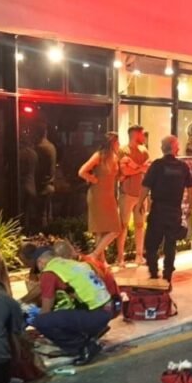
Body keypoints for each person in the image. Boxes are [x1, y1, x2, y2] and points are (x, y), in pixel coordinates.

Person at [31, 251, 115, 365]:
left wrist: (35, 329)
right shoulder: (72, 264)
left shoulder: (49, 272)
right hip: (109, 308)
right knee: (62, 313)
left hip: (96, 314)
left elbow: (46, 309)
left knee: (41, 321)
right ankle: (90, 333)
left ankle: (82, 347)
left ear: (40, 262)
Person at [142, 135, 192, 282]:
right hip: (174, 211)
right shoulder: (182, 167)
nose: (179, 147)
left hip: (158, 210)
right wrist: (190, 208)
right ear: (173, 147)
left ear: (164, 148)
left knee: (151, 244)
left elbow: (145, 187)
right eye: (177, 145)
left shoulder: (157, 165)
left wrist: (141, 203)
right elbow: (191, 190)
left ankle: (153, 273)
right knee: (170, 244)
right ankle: (167, 275)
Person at [78, 132, 123, 263]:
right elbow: (82, 171)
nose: (119, 144)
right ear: (112, 143)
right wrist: (93, 179)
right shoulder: (99, 156)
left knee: (107, 230)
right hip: (97, 195)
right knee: (109, 229)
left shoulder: (115, 157)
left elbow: (116, 176)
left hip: (109, 195)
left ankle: (99, 260)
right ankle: (96, 256)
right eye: (117, 142)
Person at [117, 125, 151, 266]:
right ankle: (120, 258)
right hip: (126, 194)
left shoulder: (144, 151)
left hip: (141, 194)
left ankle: (139, 255)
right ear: (136, 134)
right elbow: (123, 171)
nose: (144, 137)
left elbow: (148, 169)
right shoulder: (122, 150)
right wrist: (140, 168)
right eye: (142, 134)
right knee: (123, 226)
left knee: (140, 225)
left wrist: (133, 167)